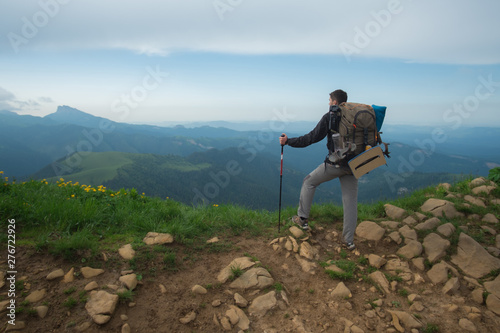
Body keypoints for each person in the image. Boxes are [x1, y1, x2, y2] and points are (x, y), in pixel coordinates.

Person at [279, 89, 358, 250]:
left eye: (329, 100)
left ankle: (302, 220)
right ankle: (348, 241)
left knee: (308, 182)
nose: (328, 103)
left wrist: (288, 141)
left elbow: (311, 138)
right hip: (356, 164)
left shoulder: (331, 117)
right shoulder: (356, 117)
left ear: (335, 102)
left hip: (336, 164)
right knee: (350, 201)